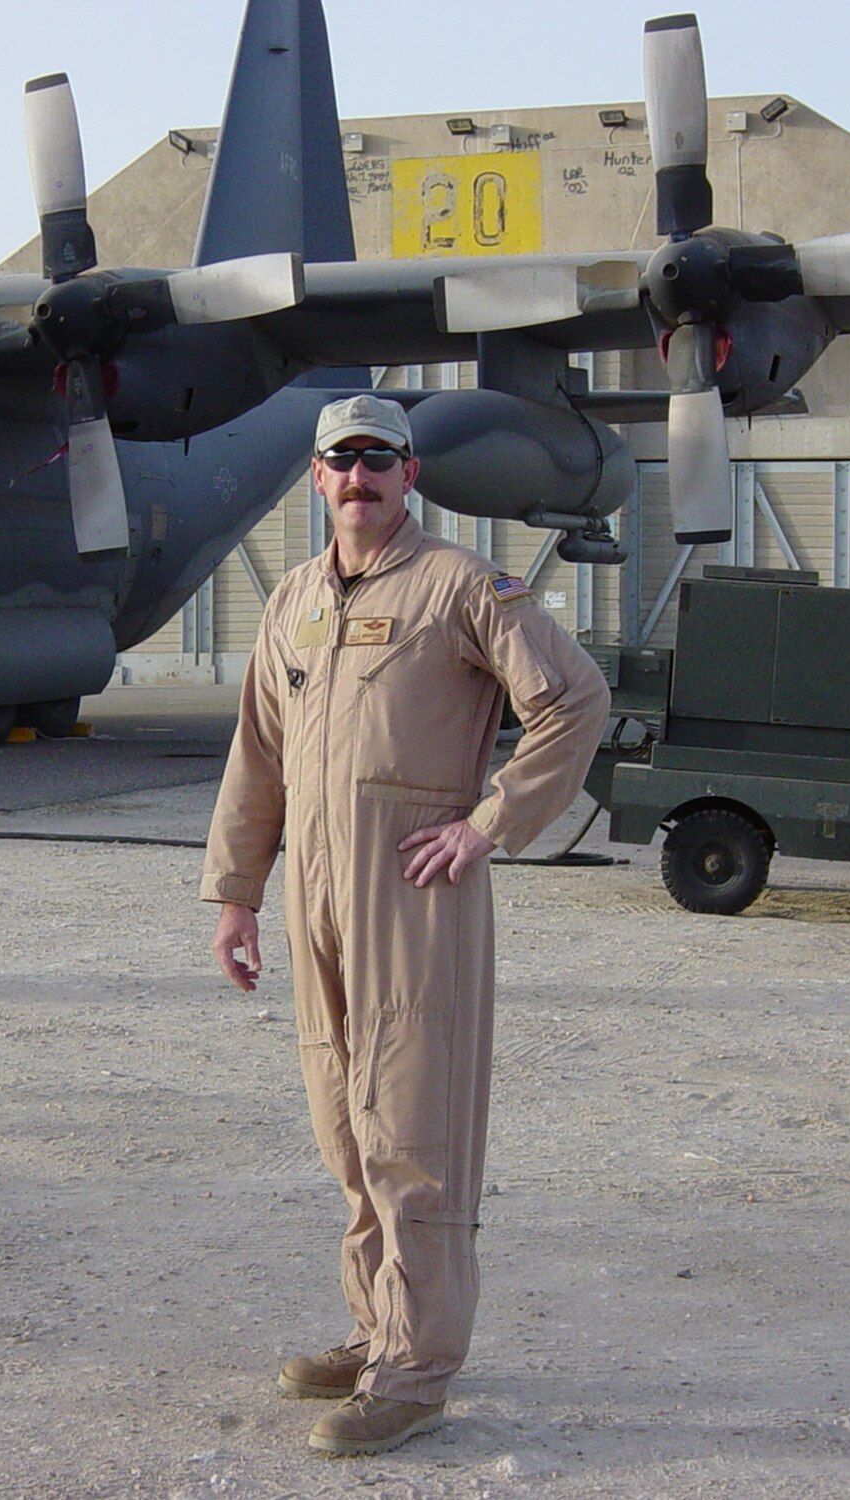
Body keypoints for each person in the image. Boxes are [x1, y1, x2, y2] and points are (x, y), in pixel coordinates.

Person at [201, 394, 612, 1456]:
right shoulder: (293, 600)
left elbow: (571, 697)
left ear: (409, 474)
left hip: (410, 896)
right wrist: (238, 894)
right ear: (316, 478)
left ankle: (416, 1371)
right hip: (315, 898)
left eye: (378, 458)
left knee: (412, 1129)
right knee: (344, 1121)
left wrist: (491, 821)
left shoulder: (462, 586)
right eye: (340, 460)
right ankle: (373, 1327)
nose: (358, 476)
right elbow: (258, 756)